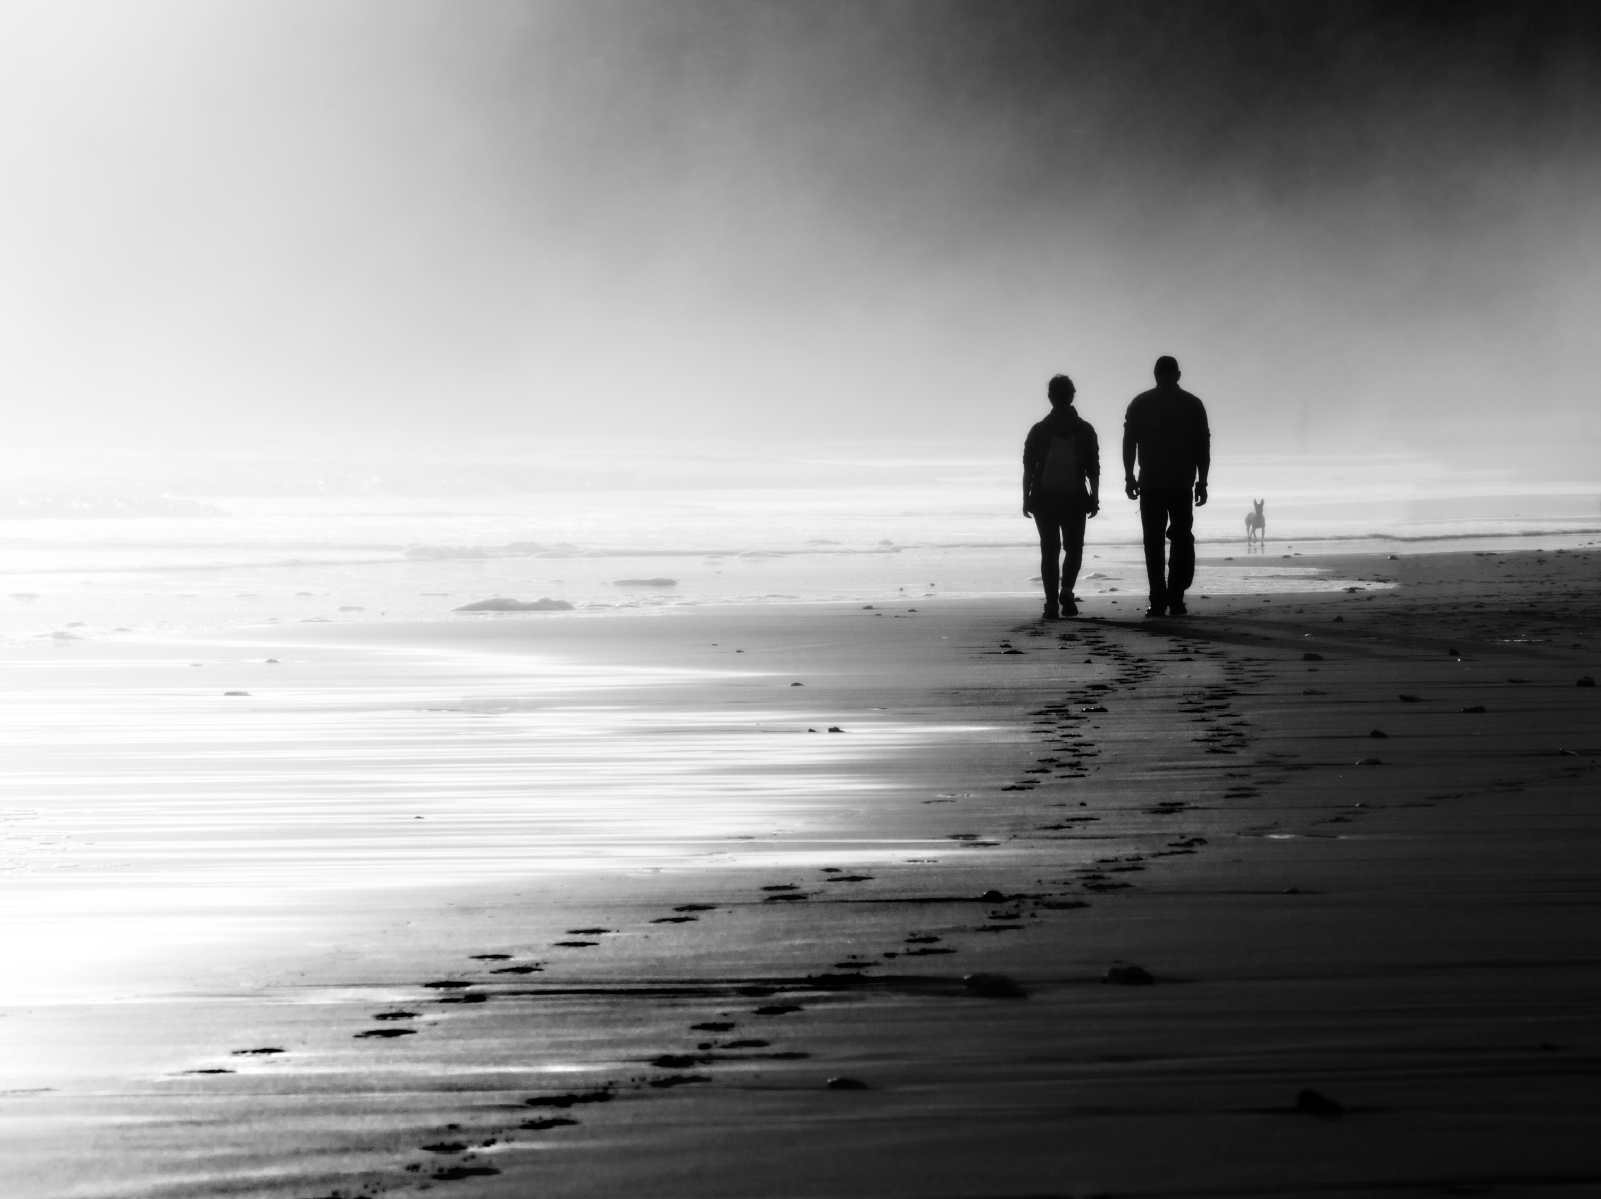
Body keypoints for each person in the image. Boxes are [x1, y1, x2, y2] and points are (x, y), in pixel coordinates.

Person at [1123, 355, 1210, 617]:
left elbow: (1129, 443)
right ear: (1179, 375)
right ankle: (1175, 597)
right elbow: (1202, 447)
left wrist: (1129, 476)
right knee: (1181, 539)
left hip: (1152, 483)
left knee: (1154, 543)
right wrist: (1202, 481)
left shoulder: (1141, 403)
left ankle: (1159, 598)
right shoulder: (1192, 405)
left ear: (1155, 375)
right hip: (1180, 483)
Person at [1023, 374, 1100, 619]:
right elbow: (1093, 467)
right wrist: (1095, 496)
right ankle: (1066, 591)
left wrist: (1025, 497)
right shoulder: (1085, 430)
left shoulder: (1039, 430)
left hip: (1044, 498)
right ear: (1073, 395)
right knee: (1074, 548)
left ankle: (1050, 604)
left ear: (1050, 397)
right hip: (1075, 497)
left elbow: (1028, 467)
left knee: (1050, 550)